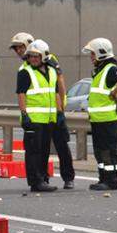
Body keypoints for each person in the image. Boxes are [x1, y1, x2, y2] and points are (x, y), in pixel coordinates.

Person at [82, 37, 117, 191]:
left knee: (108, 151)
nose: (91, 57)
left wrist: (114, 92)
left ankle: (112, 181)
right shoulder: (101, 71)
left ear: (100, 53)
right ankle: (103, 178)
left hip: (107, 120)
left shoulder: (109, 68)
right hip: (98, 120)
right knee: (100, 151)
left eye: (92, 54)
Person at [16, 39, 59, 193]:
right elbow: (21, 94)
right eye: (31, 56)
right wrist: (24, 114)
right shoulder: (25, 72)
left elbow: (55, 93)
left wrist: (59, 112)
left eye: (36, 56)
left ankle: (43, 178)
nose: (33, 59)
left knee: (44, 151)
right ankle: (36, 181)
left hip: (47, 119)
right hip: (33, 119)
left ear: (44, 57)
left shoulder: (52, 71)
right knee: (34, 152)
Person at [42, 47, 76, 189]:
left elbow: (60, 81)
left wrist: (61, 106)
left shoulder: (49, 60)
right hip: (42, 113)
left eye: (21, 47)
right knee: (42, 147)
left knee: (61, 145)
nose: (18, 51)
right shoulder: (27, 65)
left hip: (55, 111)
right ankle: (43, 178)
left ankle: (68, 177)